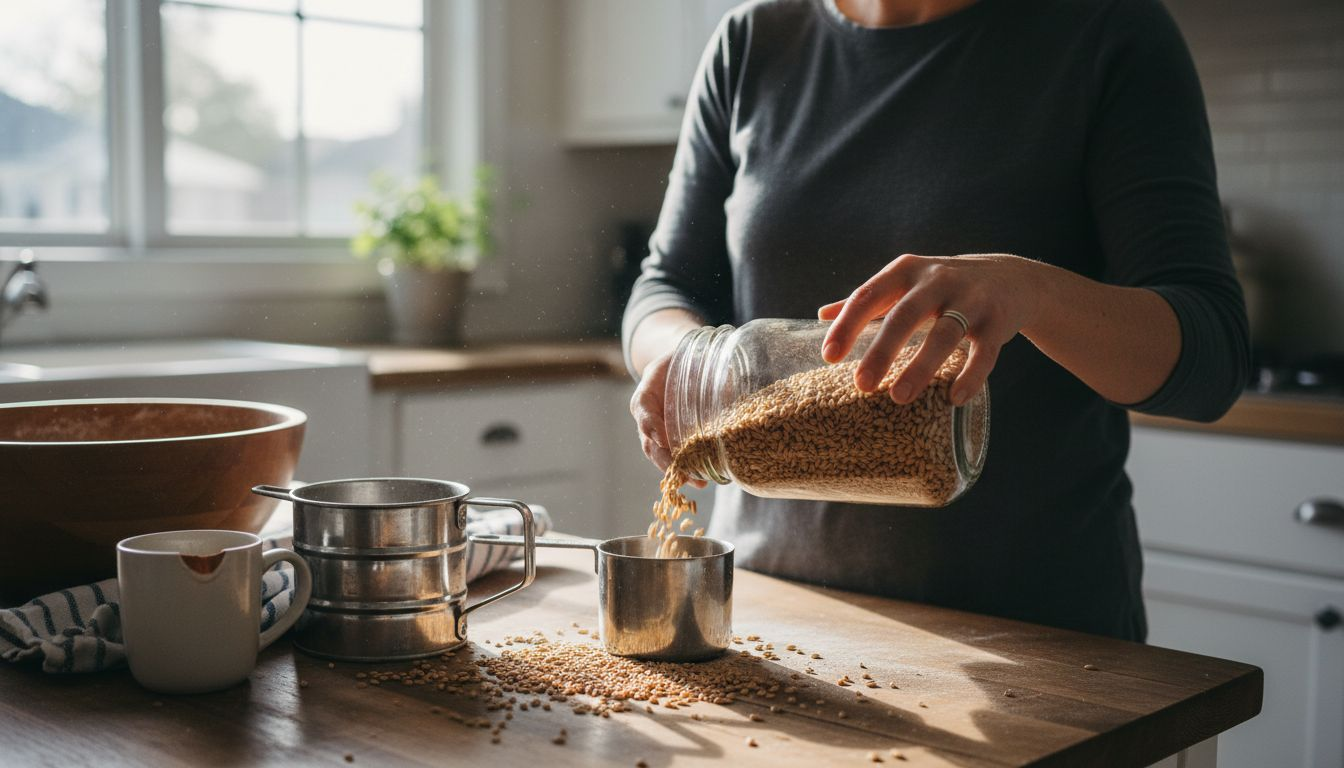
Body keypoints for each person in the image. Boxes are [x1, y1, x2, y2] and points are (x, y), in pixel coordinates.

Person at [623, 0, 1249, 641]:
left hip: (1036, 636)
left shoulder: (1108, 31)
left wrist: (1029, 291)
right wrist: (687, 359)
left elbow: (1213, 355)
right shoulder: (752, 41)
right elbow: (664, 286)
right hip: (776, 615)